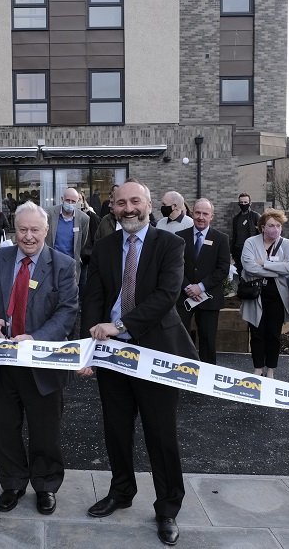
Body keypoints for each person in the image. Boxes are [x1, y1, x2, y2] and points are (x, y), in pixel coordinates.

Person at [80, 180, 197, 547]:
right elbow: (94, 296)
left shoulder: (171, 245)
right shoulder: (103, 246)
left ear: (149, 204)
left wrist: (119, 326)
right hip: (112, 355)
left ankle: (167, 508)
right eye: (120, 203)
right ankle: (121, 491)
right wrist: (91, 350)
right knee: (116, 429)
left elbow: (166, 297)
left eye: (135, 201)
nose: (128, 208)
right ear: (112, 207)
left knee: (160, 434)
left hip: (155, 353)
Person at [0, 201, 78, 516]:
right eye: (22, 230)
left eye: (35, 230)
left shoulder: (64, 265)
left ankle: (45, 485)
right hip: (1, 363)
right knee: (5, 429)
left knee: (46, 431)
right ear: (13, 230)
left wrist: (37, 339)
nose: (28, 237)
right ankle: (13, 483)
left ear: (46, 231)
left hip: (42, 365)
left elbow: (67, 311)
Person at [239, 209, 289, 379]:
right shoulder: (251, 242)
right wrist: (278, 270)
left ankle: (271, 369)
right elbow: (249, 267)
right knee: (256, 333)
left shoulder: (287, 245)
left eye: (278, 226)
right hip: (255, 294)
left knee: (273, 335)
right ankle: (257, 368)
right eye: (271, 225)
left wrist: (264, 264)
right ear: (262, 227)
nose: (275, 229)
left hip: (278, 297)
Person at [176, 198, 231, 365]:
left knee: (207, 340)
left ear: (211, 216)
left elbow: (223, 269)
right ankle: (181, 372)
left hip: (209, 297)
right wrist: (188, 286)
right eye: (198, 213)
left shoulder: (221, 239)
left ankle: (207, 377)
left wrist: (200, 287)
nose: (201, 217)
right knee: (180, 337)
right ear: (192, 214)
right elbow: (175, 266)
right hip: (184, 297)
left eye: (205, 214)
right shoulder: (180, 237)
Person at [45, 188, 90, 282]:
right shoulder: (48, 214)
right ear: (62, 199)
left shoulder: (83, 218)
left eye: (73, 201)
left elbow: (81, 242)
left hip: (71, 265)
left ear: (78, 201)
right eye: (67, 200)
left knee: (68, 294)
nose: (70, 203)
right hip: (50, 263)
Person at [230, 193, 260, 275]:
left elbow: (261, 233)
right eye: (241, 202)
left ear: (250, 203)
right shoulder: (236, 218)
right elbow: (234, 235)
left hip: (251, 250)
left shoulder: (255, 216)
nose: (243, 204)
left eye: (245, 202)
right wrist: (232, 251)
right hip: (238, 250)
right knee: (240, 273)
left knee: (250, 273)